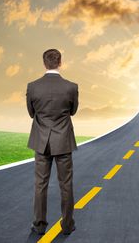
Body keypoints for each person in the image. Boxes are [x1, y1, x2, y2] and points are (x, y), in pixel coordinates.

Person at [26, 48, 79, 236]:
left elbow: (32, 113)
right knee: (66, 184)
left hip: (41, 141)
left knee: (40, 184)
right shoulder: (71, 87)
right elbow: (73, 111)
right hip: (63, 141)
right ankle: (67, 226)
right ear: (60, 62)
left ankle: (39, 226)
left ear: (44, 63)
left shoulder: (32, 86)